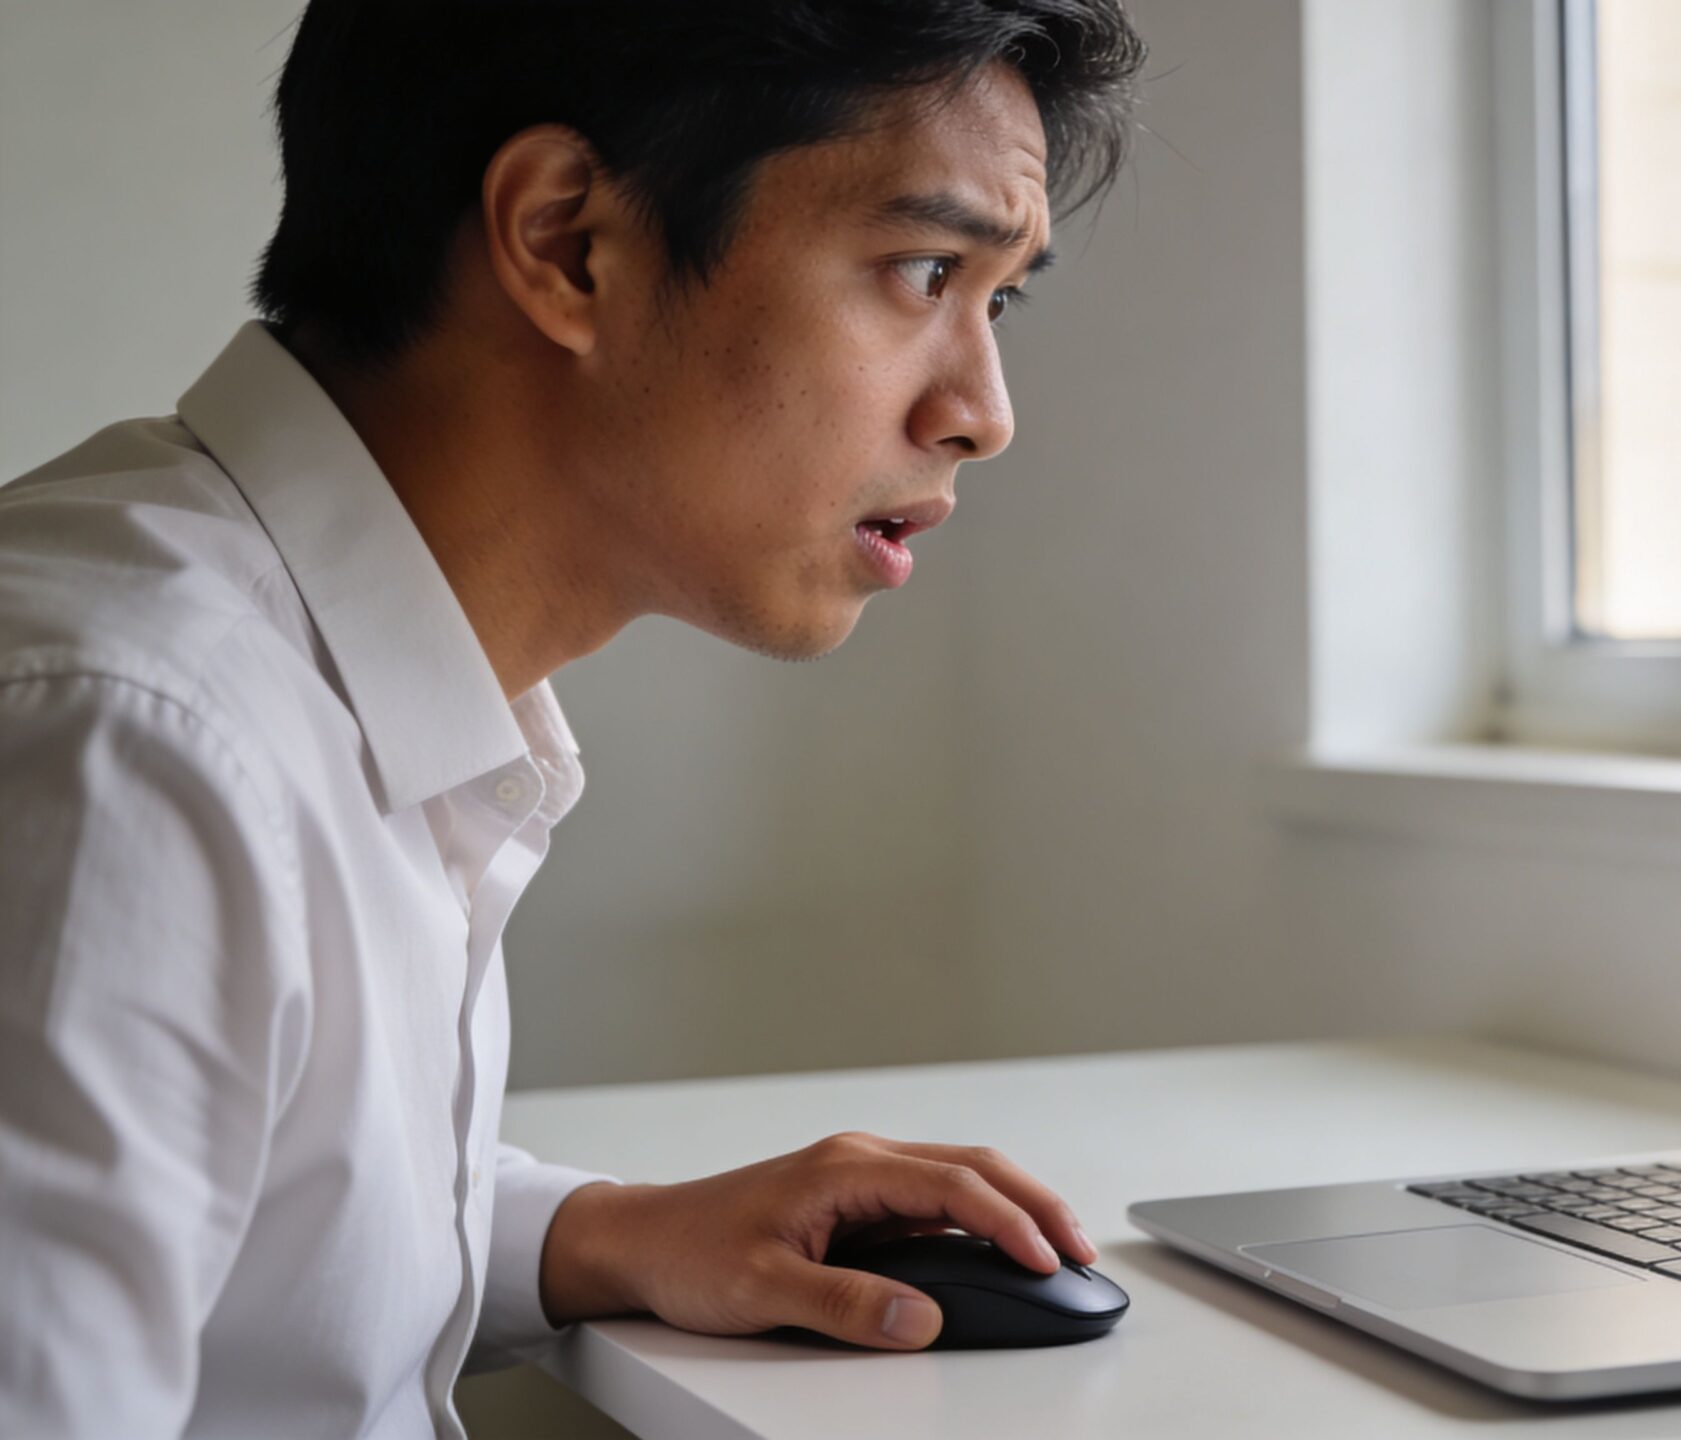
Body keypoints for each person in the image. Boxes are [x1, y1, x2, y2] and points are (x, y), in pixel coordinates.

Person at [0, 2, 1145, 1435]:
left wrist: (605, 1233)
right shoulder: (127, 746)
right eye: (925, 272)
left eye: (1001, 297)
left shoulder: (309, 688)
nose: (984, 410)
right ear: (565, 243)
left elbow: (248, 1236)